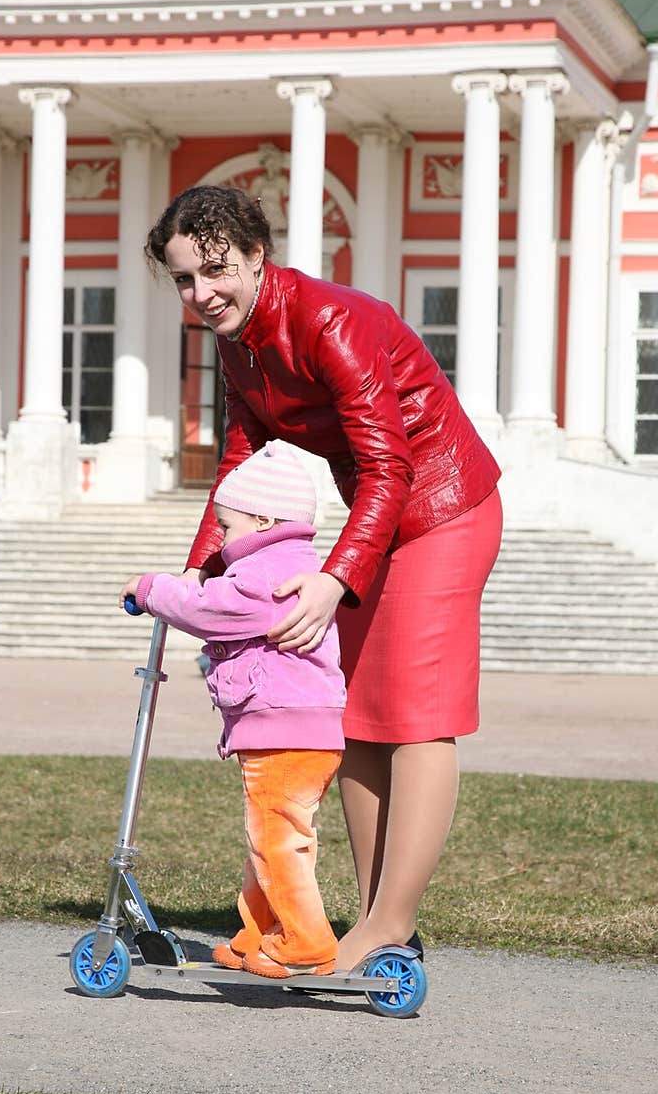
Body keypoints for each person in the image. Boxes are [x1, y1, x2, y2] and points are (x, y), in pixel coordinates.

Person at [139, 183, 503, 974]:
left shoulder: (328, 319)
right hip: (383, 516)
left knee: (416, 717)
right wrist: (199, 576)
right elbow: (239, 460)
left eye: (216, 270)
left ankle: (387, 923)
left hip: (445, 506)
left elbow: (388, 461)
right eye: (184, 280)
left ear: (257, 256)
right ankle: (377, 923)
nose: (202, 294)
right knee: (359, 718)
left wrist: (335, 578)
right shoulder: (239, 342)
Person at [120, 439, 347, 980]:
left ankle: (306, 943)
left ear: (265, 519)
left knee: (277, 842)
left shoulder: (271, 571)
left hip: (285, 731)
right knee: (270, 841)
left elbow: (212, 609)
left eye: (227, 527)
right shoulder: (284, 561)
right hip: (292, 730)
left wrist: (152, 590)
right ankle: (260, 934)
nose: (221, 539)